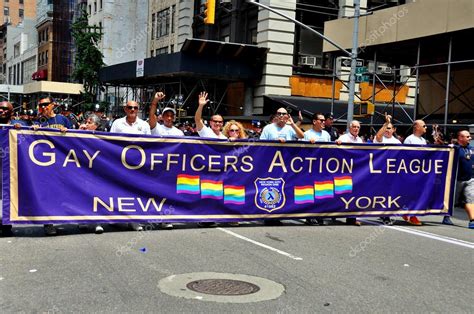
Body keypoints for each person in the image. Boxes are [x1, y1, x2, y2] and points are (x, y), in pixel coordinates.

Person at [32, 97, 73, 235]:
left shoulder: (62, 119)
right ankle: (48, 223)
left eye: (45, 104)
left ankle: (70, 217)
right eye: (41, 105)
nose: (43, 107)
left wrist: (67, 130)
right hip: (45, 163)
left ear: (52, 105)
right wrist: (33, 130)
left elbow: (77, 136)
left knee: (64, 190)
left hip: (62, 161)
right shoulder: (39, 121)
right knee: (47, 192)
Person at [110, 101, 150, 231]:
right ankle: (117, 218)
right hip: (120, 163)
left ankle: (134, 220)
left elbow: (149, 144)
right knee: (118, 191)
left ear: (138, 109)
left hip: (138, 165)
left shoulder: (144, 125)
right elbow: (110, 141)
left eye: (135, 108)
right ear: (125, 109)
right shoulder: (117, 123)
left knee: (135, 191)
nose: (132, 109)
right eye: (130, 107)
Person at [148, 92, 183, 230]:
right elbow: (151, 116)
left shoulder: (179, 133)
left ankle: (166, 218)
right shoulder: (156, 128)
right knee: (154, 193)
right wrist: (155, 101)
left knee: (168, 193)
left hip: (171, 169)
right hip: (156, 167)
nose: (169, 118)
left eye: (171, 115)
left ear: (174, 118)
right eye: (166, 115)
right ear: (162, 117)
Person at [0, 101, 25, 236]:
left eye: (5, 109)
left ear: (11, 112)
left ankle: (6, 226)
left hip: (12, 166)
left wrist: (20, 130)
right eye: (0, 108)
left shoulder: (19, 125)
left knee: (9, 196)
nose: (2, 111)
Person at [302, 113, 331, 226]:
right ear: (314, 122)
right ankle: (309, 216)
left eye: (324, 120)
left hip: (323, 167)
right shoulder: (306, 134)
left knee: (322, 192)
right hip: (309, 168)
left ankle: (320, 215)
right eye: (321, 120)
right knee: (309, 192)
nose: (324, 122)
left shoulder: (327, 135)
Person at [373, 114, 401, 225]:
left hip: (392, 172)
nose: (387, 130)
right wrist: (386, 123)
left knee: (390, 194)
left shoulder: (398, 143)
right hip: (380, 171)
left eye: (389, 128)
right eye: (386, 128)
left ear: (394, 130)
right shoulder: (380, 138)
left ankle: (386, 215)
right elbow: (378, 136)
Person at [336, 120, 363, 226]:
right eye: (354, 127)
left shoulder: (360, 140)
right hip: (343, 170)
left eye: (358, 127)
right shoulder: (343, 138)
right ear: (349, 127)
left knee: (354, 194)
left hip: (356, 171)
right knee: (341, 193)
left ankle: (352, 218)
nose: (356, 129)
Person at [401, 120, 427, 226]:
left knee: (416, 194)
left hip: (420, 171)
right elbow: (405, 155)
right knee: (411, 194)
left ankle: (406, 211)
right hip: (410, 172)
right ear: (416, 127)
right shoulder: (409, 139)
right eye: (423, 125)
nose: (426, 127)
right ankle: (412, 215)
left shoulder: (423, 140)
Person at [454, 130, 474, 229]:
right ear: (460, 138)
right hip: (456, 180)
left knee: (470, 199)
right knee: (453, 201)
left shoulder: (472, 149)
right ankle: (446, 216)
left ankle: (472, 221)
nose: (470, 138)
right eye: (467, 136)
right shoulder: (454, 149)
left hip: (470, 179)